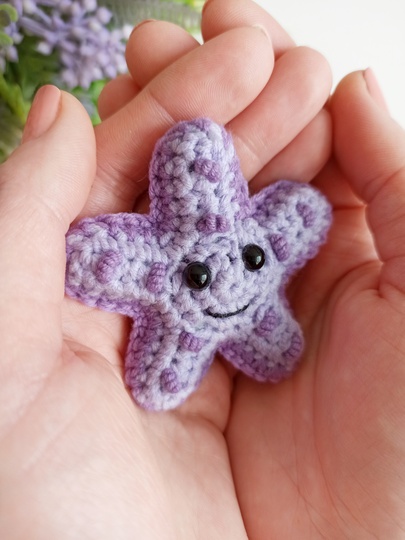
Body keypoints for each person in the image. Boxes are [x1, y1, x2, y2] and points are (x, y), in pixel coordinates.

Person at [0, 0, 404, 537]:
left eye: (254, 259)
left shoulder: (274, 265)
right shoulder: (153, 257)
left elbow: (302, 215)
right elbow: (96, 261)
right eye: (198, 277)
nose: (231, 284)